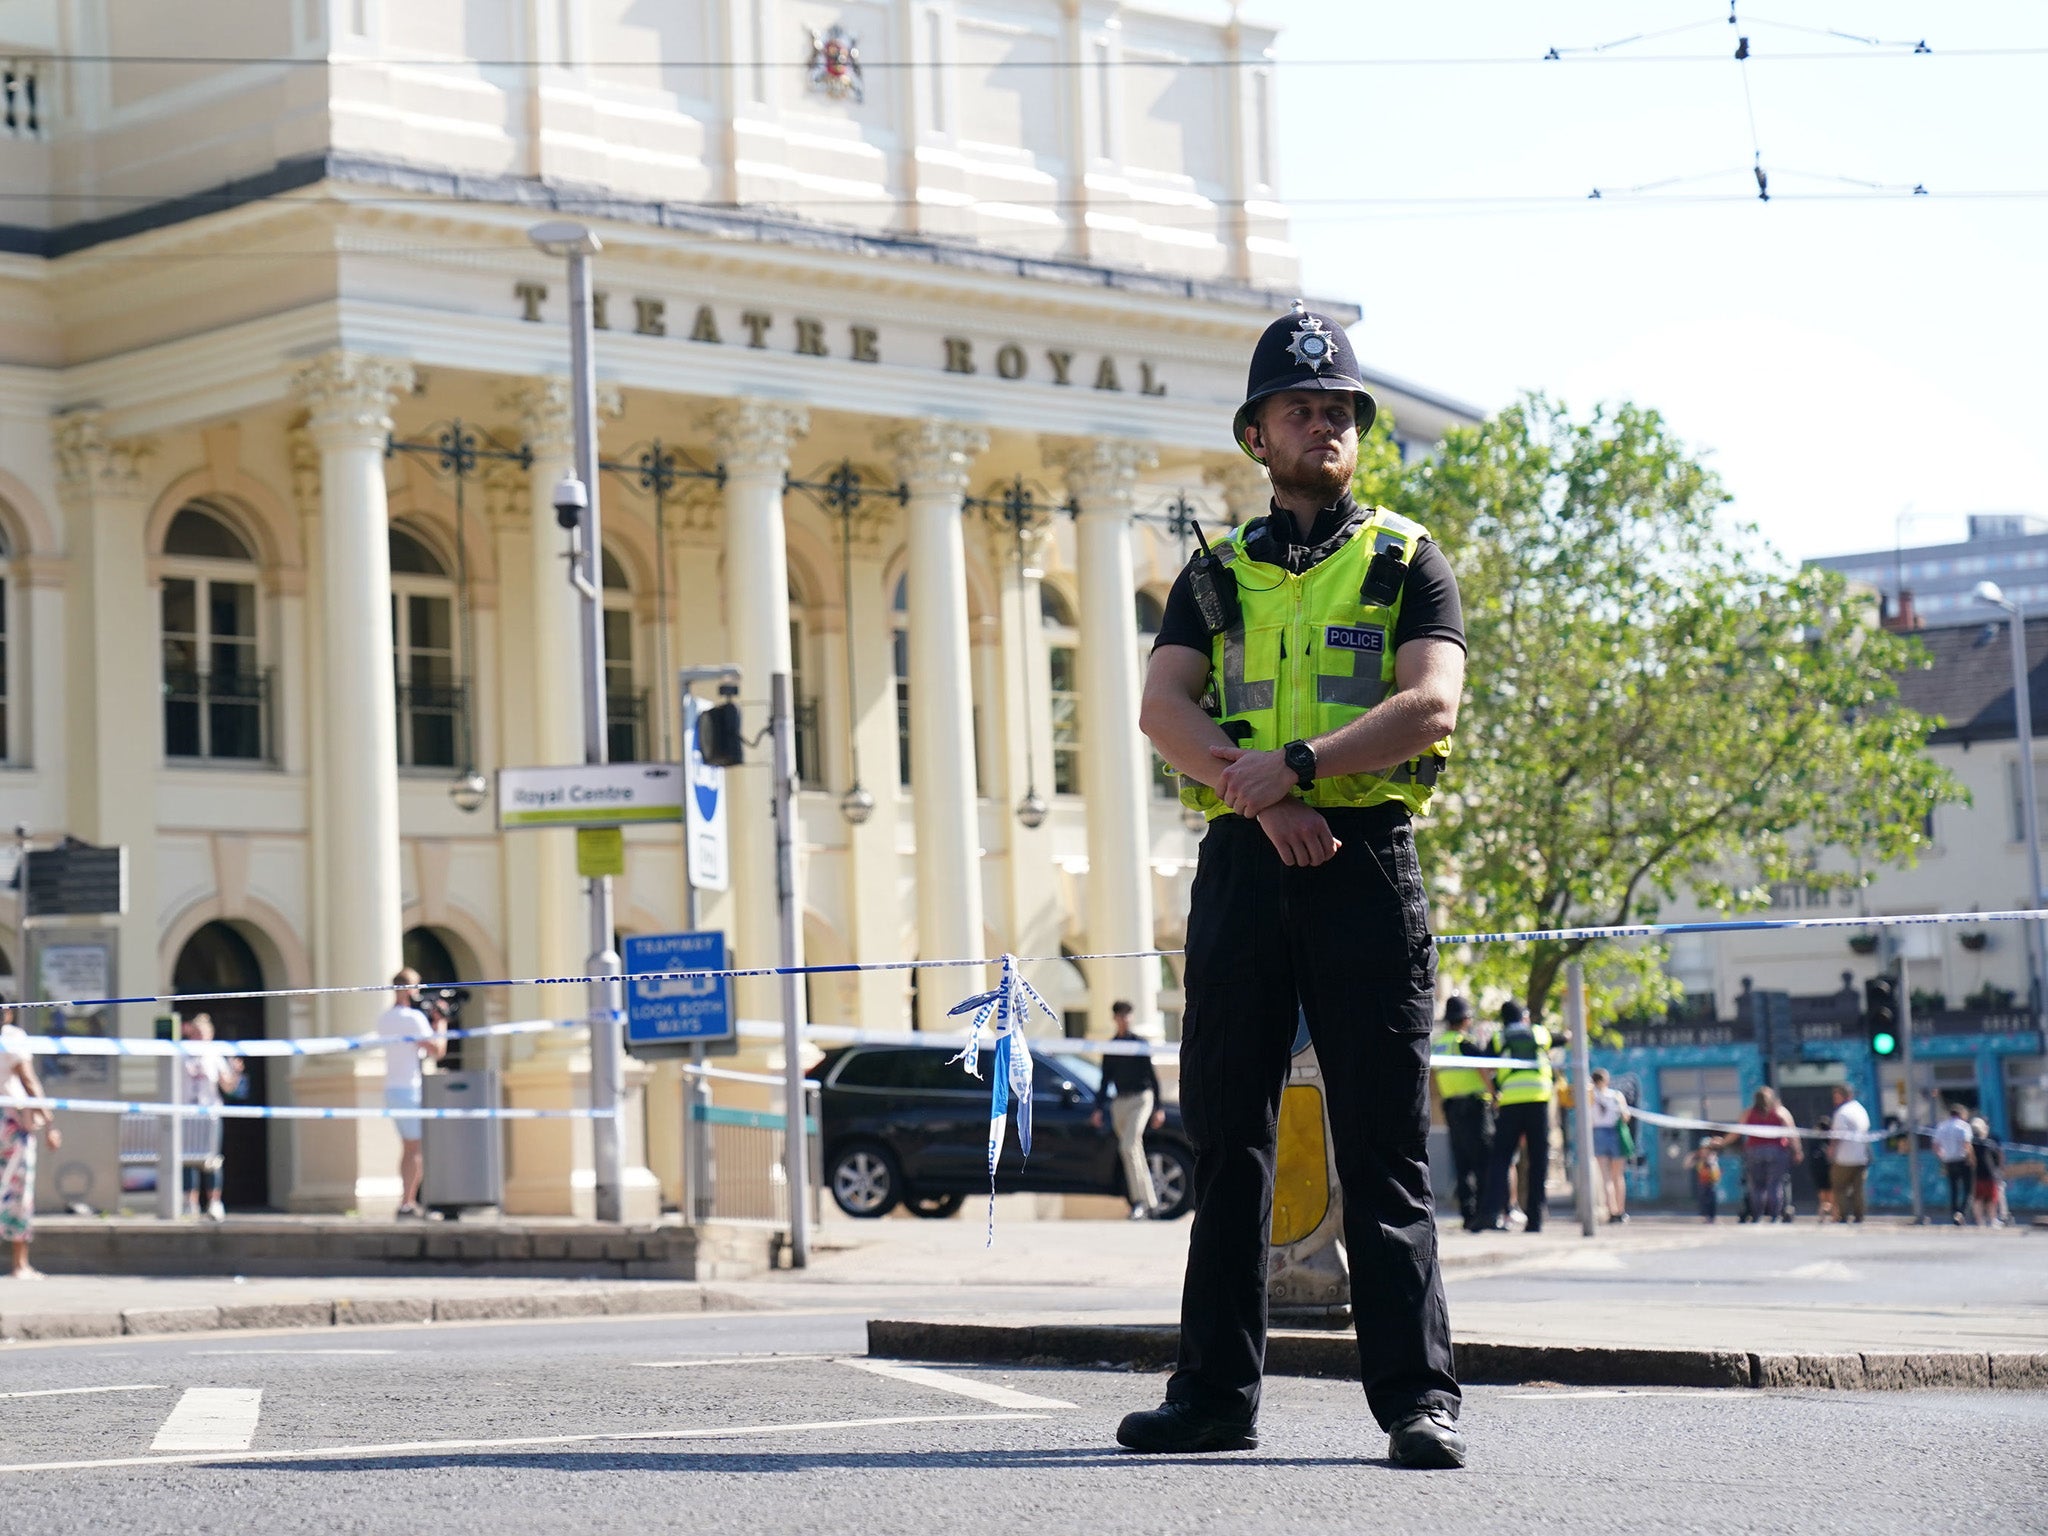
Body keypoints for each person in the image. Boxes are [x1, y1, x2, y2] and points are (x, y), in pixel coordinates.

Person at [1128, 305, 1468, 1469]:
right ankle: (1212, 1395)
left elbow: (1430, 704)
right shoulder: (1213, 573)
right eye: (1298, 408)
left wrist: (1306, 770)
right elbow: (1160, 708)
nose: (1321, 424)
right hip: (1244, 863)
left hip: (1363, 863)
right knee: (1229, 1136)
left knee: (1382, 1141)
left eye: (1337, 411)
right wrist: (1259, 794)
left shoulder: (1404, 559)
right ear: (1255, 435)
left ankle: (1416, 1401)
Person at [376, 969, 445, 1218]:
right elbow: (438, 1050)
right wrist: (441, 1022)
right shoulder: (413, 1018)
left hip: (394, 1088)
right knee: (415, 1149)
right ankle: (407, 1203)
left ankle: (409, 1201)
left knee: (410, 1148)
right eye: (417, 987)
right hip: (409, 1088)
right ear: (407, 988)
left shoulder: (385, 1018)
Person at [1482, 1001, 1553, 1234]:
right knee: (1538, 1160)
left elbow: (1484, 1064)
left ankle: (1492, 1213)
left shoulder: (1499, 1037)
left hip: (1510, 1101)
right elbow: (1558, 1040)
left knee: (1501, 1158)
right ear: (1524, 1017)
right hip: (1538, 1100)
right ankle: (1535, 1219)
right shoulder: (1539, 1032)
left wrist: (1494, 1092)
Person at [1, 1011, 60, 1279]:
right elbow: (28, 1080)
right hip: (11, 1122)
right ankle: (19, 1264)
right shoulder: (13, 1037)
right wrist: (49, 1122)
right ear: (8, 1013)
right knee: (19, 1189)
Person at [1094, 1000, 1166, 1219]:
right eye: (1120, 1015)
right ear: (1115, 1018)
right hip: (1120, 1102)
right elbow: (1105, 1079)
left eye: (1127, 1014)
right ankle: (1148, 1202)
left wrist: (1158, 1107)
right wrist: (1099, 1107)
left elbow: (1152, 1077)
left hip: (1141, 1099)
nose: (1124, 1018)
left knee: (1128, 1146)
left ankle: (1139, 1202)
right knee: (1133, 1151)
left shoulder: (1139, 1043)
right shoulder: (1111, 1046)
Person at [1433, 997, 1493, 1233]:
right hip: (1474, 1107)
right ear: (1466, 1019)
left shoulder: (1439, 1044)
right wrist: (1494, 1094)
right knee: (1481, 1162)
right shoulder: (1464, 1042)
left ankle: (1467, 1215)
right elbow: (1484, 1067)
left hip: (1451, 1108)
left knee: (1461, 1163)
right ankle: (1482, 1215)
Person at [179, 1013, 243, 1221]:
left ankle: (215, 1203)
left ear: (210, 1035)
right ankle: (191, 1204)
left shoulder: (215, 1055)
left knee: (212, 1160)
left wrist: (236, 1073)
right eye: (196, 1033)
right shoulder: (180, 1054)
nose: (199, 1038)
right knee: (187, 1160)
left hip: (210, 1113)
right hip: (186, 1112)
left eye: (203, 1034)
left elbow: (228, 1086)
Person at [1732, 1086, 1797, 1223]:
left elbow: (1736, 1132)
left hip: (1754, 1152)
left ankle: (1757, 1216)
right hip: (1777, 1151)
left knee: (1757, 1186)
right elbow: (1792, 1133)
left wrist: (1722, 1143)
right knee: (1775, 1185)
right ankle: (1775, 1216)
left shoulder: (1748, 1113)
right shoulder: (1780, 1112)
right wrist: (1797, 1150)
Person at [1588, 1068, 1631, 1224]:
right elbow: (1626, 1117)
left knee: (1605, 1177)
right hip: (1615, 1133)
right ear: (1606, 1079)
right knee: (1617, 1175)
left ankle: (1611, 1211)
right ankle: (1621, 1210)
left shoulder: (1590, 1096)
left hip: (1598, 1133)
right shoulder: (1616, 1096)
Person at [1826, 1084, 1870, 1224]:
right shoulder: (1861, 1110)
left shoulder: (1843, 1112)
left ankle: (1843, 1215)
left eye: (1837, 1096)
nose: (1835, 1099)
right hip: (1861, 1156)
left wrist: (1831, 1150)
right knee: (1858, 1189)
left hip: (1844, 1157)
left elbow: (1838, 1135)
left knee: (1839, 1187)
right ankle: (1859, 1215)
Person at [1930, 1103, 1975, 1226]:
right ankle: (1962, 1212)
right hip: (1962, 1160)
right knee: (1968, 1189)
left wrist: (1942, 1156)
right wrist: (1970, 1158)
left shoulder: (1942, 1126)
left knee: (1953, 1189)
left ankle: (1954, 1213)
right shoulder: (1964, 1126)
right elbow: (1967, 1144)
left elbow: (1935, 1146)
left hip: (1948, 1160)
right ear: (1961, 1114)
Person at [1969, 1117, 2005, 1229]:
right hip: (1989, 1174)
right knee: (1990, 1199)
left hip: (1977, 1174)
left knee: (1978, 1199)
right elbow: (1999, 1156)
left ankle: (1980, 1222)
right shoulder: (1988, 1143)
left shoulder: (1971, 1144)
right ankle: (1992, 1220)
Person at [1806, 1115, 1836, 1223]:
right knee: (1832, 1193)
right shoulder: (1829, 1138)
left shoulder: (1814, 1139)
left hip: (1817, 1170)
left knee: (1822, 1194)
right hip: (1828, 1167)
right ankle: (1834, 1215)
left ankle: (1822, 1214)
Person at [1686, 1136, 1721, 1223]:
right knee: (1703, 1199)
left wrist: (1711, 1162)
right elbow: (1687, 1165)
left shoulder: (1712, 1158)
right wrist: (1692, 1156)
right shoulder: (1698, 1157)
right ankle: (1704, 1215)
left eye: (1708, 1149)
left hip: (1711, 1182)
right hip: (1702, 1182)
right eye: (1704, 1148)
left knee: (1711, 1199)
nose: (1705, 1151)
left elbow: (1716, 1170)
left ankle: (1711, 1216)